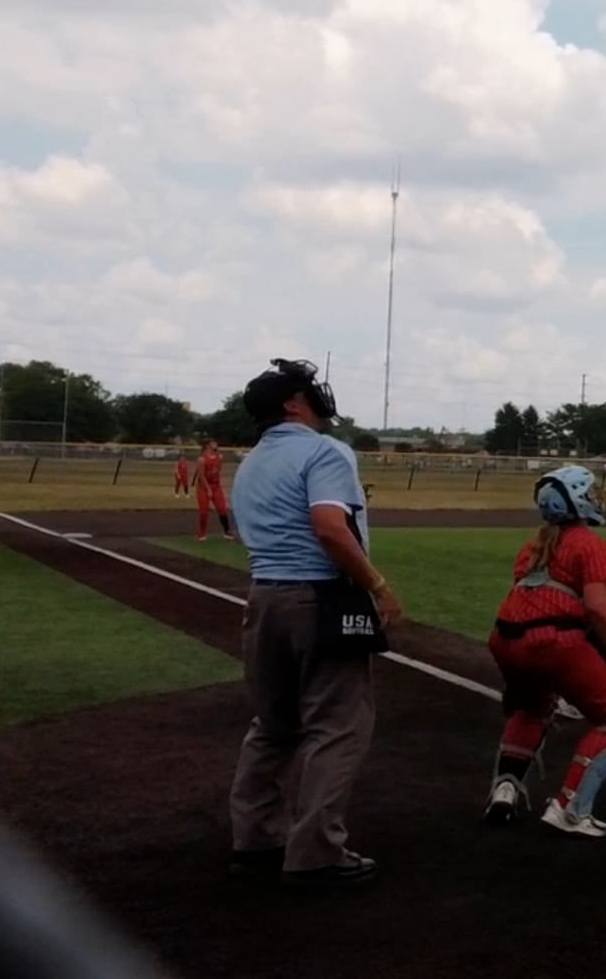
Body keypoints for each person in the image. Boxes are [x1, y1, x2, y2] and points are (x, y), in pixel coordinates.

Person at [227, 358, 401, 886]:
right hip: (321, 597)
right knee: (338, 725)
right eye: (307, 389)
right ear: (293, 404)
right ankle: (316, 851)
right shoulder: (325, 451)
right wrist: (378, 586)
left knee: (272, 724)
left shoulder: (251, 462)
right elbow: (328, 527)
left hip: (263, 596)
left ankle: (255, 835)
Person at [481, 466, 606, 838]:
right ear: (577, 500)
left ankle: (505, 789)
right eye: (590, 492)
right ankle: (571, 810)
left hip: (505, 639)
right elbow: (597, 609)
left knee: (532, 708)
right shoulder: (589, 544)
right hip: (553, 642)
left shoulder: (533, 545)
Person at [195, 439, 236, 541]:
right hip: (203, 487)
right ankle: (202, 533)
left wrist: (214, 485)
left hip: (216, 486)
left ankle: (227, 531)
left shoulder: (220, 457)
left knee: (222, 509)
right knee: (204, 512)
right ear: (208, 446)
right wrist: (208, 489)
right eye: (213, 444)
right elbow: (201, 476)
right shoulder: (202, 460)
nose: (216, 445)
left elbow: (217, 470)